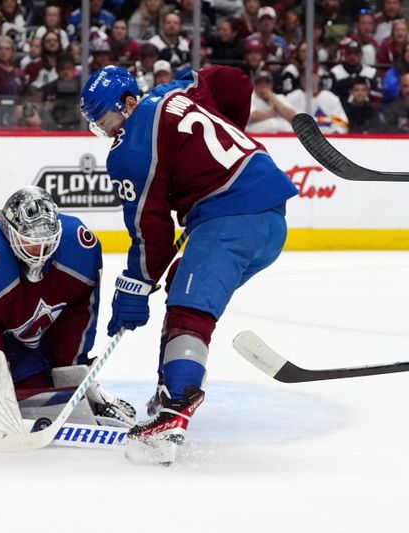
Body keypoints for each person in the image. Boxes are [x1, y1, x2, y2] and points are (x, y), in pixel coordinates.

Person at [79, 65, 298, 464]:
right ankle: (172, 384)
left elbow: (151, 231)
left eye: (107, 120)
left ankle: (176, 405)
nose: (108, 131)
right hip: (271, 218)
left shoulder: (129, 148)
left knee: (189, 308)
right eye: (98, 126)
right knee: (184, 282)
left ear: (129, 103)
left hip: (231, 216)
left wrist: (135, 284)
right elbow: (237, 82)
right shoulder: (181, 90)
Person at [0, 186, 136, 447]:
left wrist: (71, 370)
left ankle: (66, 391)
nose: (40, 248)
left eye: (46, 239)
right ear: (9, 232)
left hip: (31, 341)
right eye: (30, 240)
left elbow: (79, 315)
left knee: (39, 386)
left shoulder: (79, 245)